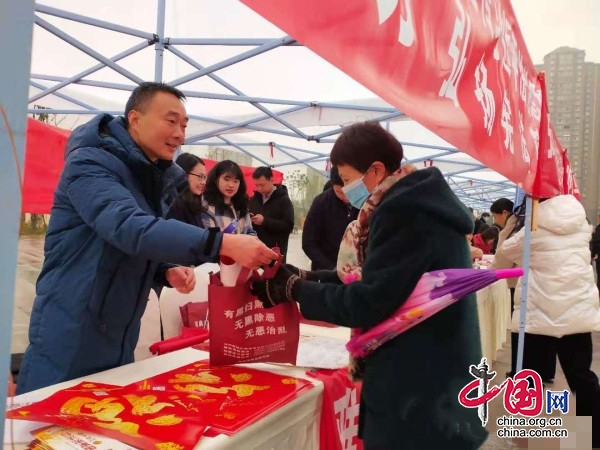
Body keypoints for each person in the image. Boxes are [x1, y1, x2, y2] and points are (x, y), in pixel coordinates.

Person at [17, 82, 277, 394]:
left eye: (183, 125)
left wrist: (163, 269)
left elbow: (127, 244)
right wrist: (223, 244)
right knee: (50, 427)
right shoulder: (90, 163)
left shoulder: (149, 176)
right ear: (135, 119)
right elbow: (129, 226)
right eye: (171, 121)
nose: (180, 134)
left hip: (118, 330)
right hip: (71, 327)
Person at [251, 122, 488, 449]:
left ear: (375, 170)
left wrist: (295, 289)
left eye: (348, 179)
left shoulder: (406, 213)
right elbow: (378, 278)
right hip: (433, 379)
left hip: (419, 390)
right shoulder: (417, 204)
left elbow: (370, 300)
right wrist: (306, 278)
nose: (347, 189)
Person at [496, 195, 600, 446]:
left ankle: (527, 435)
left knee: (530, 376)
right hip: (576, 313)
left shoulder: (533, 231)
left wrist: (511, 226)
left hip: (538, 314)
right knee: (581, 375)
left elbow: (504, 253)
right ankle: (595, 435)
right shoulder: (581, 227)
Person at [302, 166, 359, 270]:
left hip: (359, 273)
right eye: (339, 192)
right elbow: (308, 243)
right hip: (327, 272)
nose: (346, 197)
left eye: (349, 191)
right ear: (332, 185)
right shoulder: (321, 202)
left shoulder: (368, 201)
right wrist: (333, 269)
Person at [248, 166, 294, 261]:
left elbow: (288, 226)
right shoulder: (253, 200)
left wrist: (265, 221)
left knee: (274, 275)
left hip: (275, 253)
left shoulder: (284, 200)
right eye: (256, 185)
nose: (259, 188)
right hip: (256, 251)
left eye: (262, 185)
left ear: (271, 180)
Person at [201, 160, 256, 235]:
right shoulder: (206, 206)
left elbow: (250, 232)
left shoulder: (241, 206)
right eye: (226, 179)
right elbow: (210, 239)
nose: (231, 185)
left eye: (236, 181)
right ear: (215, 179)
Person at [167, 153, 206, 227]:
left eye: (204, 177)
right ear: (184, 173)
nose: (203, 182)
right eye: (200, 176)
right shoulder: (173, 203)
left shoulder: (194, 203)